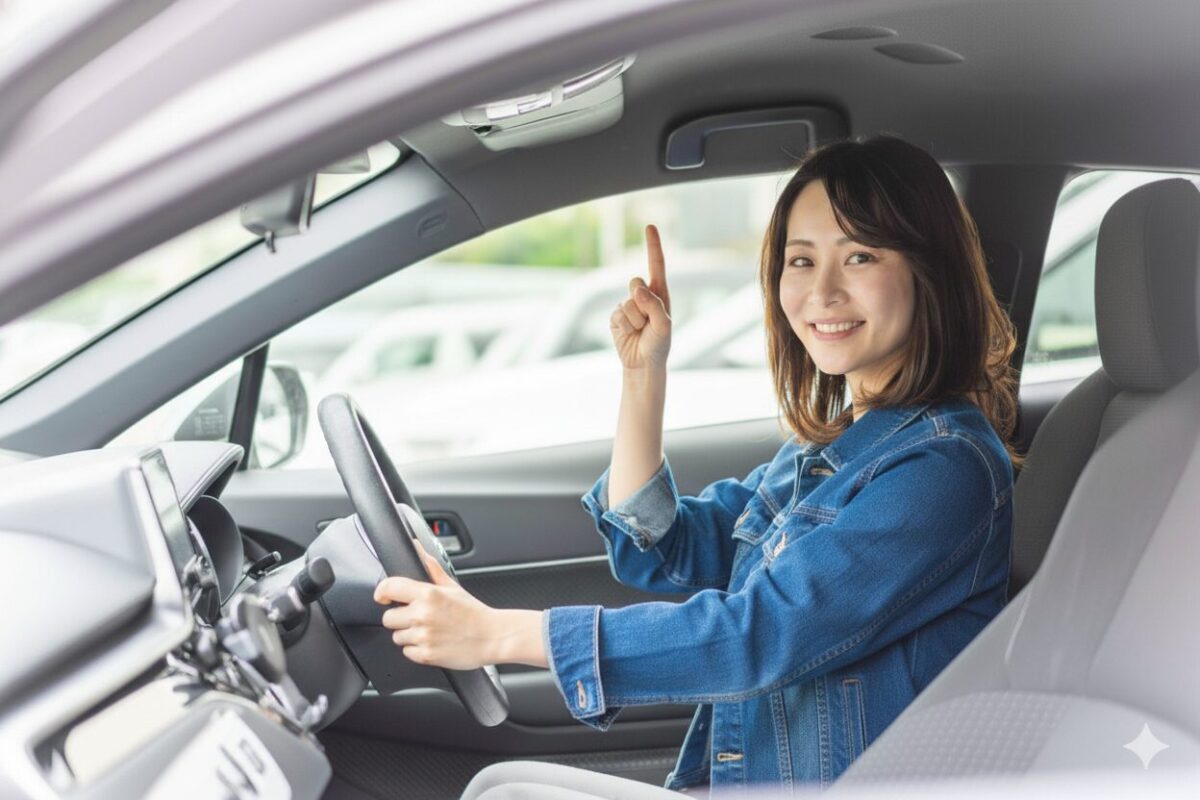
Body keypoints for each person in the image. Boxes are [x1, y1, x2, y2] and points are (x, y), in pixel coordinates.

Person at [374, 134, 1021, 796]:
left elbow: (760, 635)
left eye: (859, 256)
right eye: (801, 260)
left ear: (928, 272)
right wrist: (642, 374)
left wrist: (498, 635)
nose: (822, 290)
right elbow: (661, 546)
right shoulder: (827, 453)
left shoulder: (944, 470)